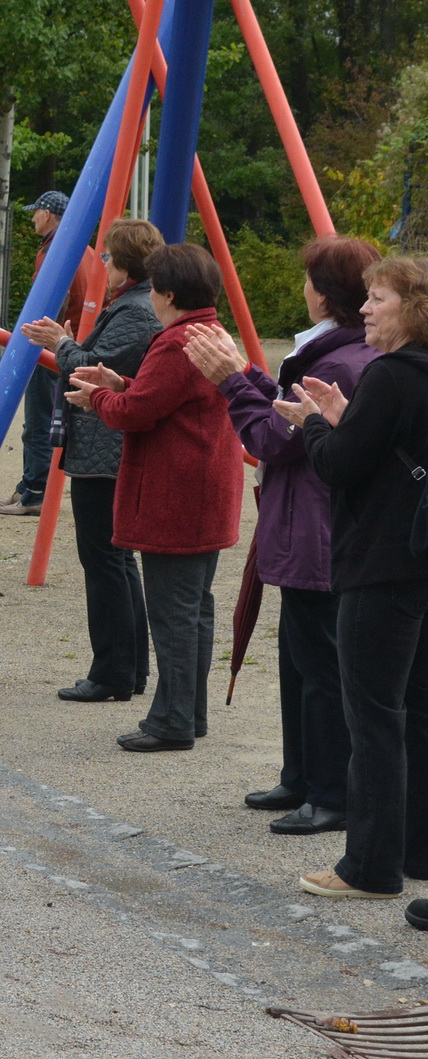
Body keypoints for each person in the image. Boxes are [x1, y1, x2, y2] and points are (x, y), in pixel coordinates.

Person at [185, 236, 381, 836]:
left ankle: (329, 792)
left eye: (308, 280)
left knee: (321, 666)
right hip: (308, 525)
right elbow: (278, 415)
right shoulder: (340, 352)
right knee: (299, 658)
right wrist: (245, 374)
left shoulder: (338, 362)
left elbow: (271, 439)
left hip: (318, 529)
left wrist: (230, 381)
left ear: (324, 294)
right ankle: (301, 775)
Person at [273, 258, 428, 921]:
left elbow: (338, 466)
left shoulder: (391, 376)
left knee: (373, 719)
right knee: (414, 714)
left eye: (379, 298)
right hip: (417, 560)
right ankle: (415, 850)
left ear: (411, 306)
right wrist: (342, 415)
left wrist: (310, 423)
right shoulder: (414, 374)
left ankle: (367, 865)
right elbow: (378, 448)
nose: (366, 309)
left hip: (377, 561)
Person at [64, 243, 244, 752]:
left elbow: (135, 413)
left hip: (176, 494)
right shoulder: (210, 332)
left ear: (167, 293)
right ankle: (189, 711)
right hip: (205, 490)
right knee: (195, 608)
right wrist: (119, 382)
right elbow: (163, 397)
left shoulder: (177, 340)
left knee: (174, 613)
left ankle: (172, 721)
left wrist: (101, 395)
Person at [21, 218, 164, 704]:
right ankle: (130, 669)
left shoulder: (135, 312)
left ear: (127, 263)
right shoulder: (134, 306)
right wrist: (67, 343)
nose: (102, 263)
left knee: (104, 560)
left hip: (104, 448)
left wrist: (58, 344)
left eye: (108, 256)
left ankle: (112, 672)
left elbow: (91, 367)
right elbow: (97, 358)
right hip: (106, 445)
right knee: (117, 560)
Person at [0, 190, 100, 515]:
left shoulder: (54, 250)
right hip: (79, 344)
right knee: (46, 417)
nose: (32, 218)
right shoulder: (84, 248)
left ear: (48, 214)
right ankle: (28, 484)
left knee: (39, 420)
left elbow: (57, 297)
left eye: (35, 211)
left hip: (54, 347)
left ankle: (35, 491)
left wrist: (43, 336)